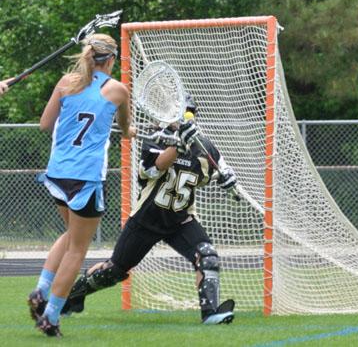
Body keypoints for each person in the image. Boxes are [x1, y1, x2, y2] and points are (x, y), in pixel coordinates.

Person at [62, 95, 237, 325]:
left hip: (180, 221)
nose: (183, 119)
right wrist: (178, 145)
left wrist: (228, 182)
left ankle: (211, 313)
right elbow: (154, 169)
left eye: (187, 114)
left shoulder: (204, 148)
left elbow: (218, 172)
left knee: (207, 256)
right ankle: (72, 296)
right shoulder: (155, 140)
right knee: (114, 271)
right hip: (147, 220)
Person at [27, 33, 135, 337]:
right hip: (86, 177)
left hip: (57, 173)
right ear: (111, 59)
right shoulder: (117, 90)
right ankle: (50, 316)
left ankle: (41, 290)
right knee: (78, 249)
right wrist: (131, 130)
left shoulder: (66, 82)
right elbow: (126, 129)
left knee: (71, 235)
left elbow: (45, 125)